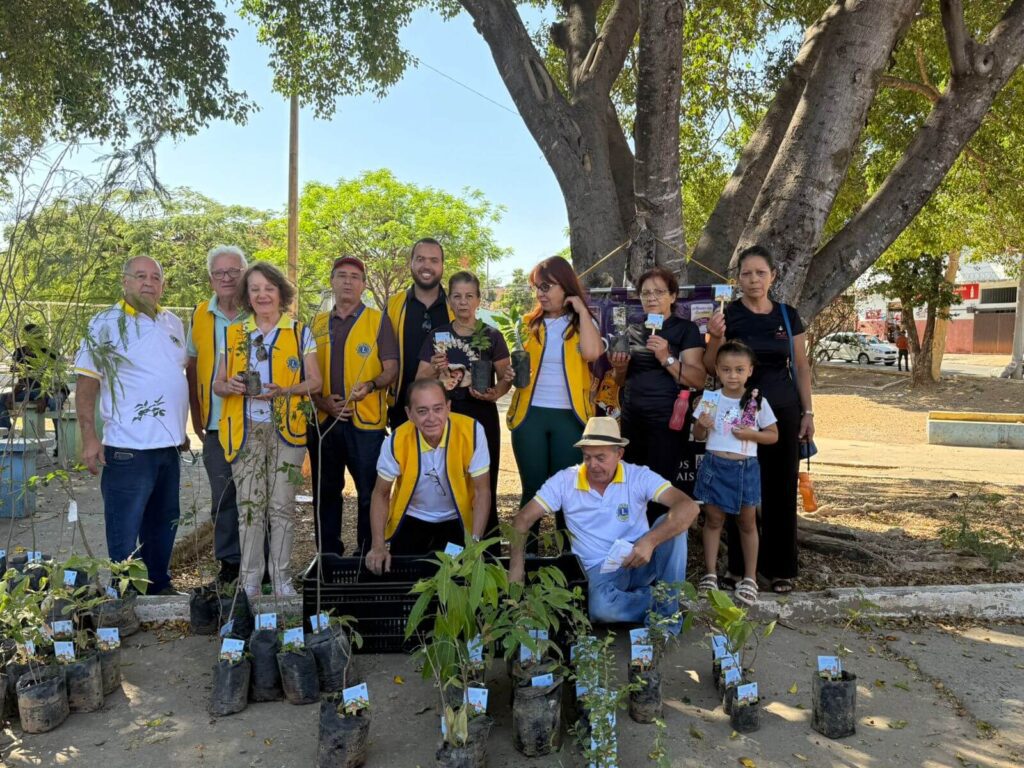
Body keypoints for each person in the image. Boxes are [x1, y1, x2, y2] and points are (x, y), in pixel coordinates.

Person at [507, 417, 699, 629]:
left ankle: (665, 620)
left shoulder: (638, 476)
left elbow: (689, 507)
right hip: (599, 571)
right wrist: (516, 567)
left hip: (641, 559)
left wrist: (651, 541)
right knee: (600, 608)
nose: (593, 465)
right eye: (587, 457)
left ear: (619, 454)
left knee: (673, 527)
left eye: (600, 457)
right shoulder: (565, 480)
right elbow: (522, 519)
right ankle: (667, 605)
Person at [704, 245, 814, 594]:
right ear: (737, 279)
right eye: (747, 274)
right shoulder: (727, 315)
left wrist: (807, 411)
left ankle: (780, 570)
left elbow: (800, 366)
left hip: (782, 411)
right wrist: (715, 335)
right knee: (741, 492)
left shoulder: (787, 315)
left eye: (760, 273)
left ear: (773, 276)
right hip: (740, 414)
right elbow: (711, 366)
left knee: (781, 491)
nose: (753, 280)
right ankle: (739, 570)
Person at [74, 256, 188, 595]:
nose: (148, 283)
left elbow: (172, 376)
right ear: (125, 281)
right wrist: (90, 438)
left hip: (168, 448)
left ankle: (158, 588)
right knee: (124, 528)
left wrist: (180, 428)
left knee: (163, 524)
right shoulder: (106, 323)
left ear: (163, 285)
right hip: (128, 448)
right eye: (140, 276)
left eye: (155, 277)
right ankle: (123, 595)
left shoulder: (172, 323)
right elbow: (86, 383)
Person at [212, 261, 322, 599]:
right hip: (244, 430)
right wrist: (228, 385)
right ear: (247, 294)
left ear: (281, 293)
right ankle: (249, 581)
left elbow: (316, 382)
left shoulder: (299, 331)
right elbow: (216, 384)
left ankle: (282, 579)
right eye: (255, 288)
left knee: (282, 505)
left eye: (268, 288)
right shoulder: (234, 334)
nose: (262, 295)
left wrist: (285, 391)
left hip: (286, 429)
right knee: (250, 506)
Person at [507, 256, 603, 550]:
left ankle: (567, 565)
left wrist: (581, 312)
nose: (541, 294)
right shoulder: (529, 324)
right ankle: (525, 564)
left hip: (570, 420)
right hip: (529, 418)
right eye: (537, 287)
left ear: (566, 286)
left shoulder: (581, 322)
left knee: (567, 494)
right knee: (532, 491)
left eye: (547, 286)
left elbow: (591, 353)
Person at [309, 255, 399, 555]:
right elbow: (304, 373)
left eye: (354, 277)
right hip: (325, 422)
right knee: (325, 494)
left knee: (369, 494)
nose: (348, 281)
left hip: (366, 425)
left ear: (363, 285)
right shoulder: (317, 323)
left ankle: (367, 553)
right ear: (332, 281)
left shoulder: (377, 320)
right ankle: (328, 556)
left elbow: (391, 368)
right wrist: (322, 402)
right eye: (341, 275)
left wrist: (371, 385)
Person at [416, 271, 513, 545]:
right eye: (457, 296)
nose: (463, 302)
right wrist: (435, 371)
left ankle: (486, 550)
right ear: (449, 300)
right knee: (450, 481)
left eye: (469, 296)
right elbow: (418, 381)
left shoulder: (491, 336)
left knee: (484, 481)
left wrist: (495, 393)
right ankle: (451, 549)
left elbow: (505, 378)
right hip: (446, 417)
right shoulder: (438, 336)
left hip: (482, 416)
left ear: (478, 300)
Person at [607, 267, 706, 521]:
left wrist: (667, 357)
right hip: (633, 420)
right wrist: (619, 369)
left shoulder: (686, 330)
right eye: (645, 293)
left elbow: (698, 379)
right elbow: (619, 381)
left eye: (659, 292)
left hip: (667, 422)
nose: (651, 298)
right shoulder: (632, 330)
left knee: (661, 488)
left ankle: (659, 546)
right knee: (632, 487)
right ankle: (634, 548)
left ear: (673, 296)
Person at [365, 379, 491, 574]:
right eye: (422, 411)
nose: (431, 418)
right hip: (412, 516)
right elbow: (381, 494)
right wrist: (378, 546)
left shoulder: (472, 431)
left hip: (455, 519)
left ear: (448, 407)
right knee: (406, 576)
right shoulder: (396, 441)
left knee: (453, 576)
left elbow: (482, 491)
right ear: (409, 414)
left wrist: (475, 543)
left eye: (438, 409)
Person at [692, 342, 779, 606]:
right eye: (726, 369)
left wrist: (752, 434)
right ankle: (709, 573)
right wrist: (701, 425)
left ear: (750, 371)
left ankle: (750, 577)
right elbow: (698, 436)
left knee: (747, 523)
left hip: (746, 468)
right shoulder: (710, 399)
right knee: (714, 521)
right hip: (714, 465)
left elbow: (773, 436)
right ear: (717, 370)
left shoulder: (756, 401)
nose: (733, 375)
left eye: (739, 369)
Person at [186, 245, 248, 584]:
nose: (227, 278)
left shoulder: (258, 311)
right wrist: (197, 418)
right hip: (216, 426)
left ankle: (260, 562)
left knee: (258, 499)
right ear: (211, 278)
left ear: (244, 273)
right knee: (223, 498)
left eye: (233, 271)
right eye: (220, 273)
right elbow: (192, 370)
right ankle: (230, 564)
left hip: (255, 425)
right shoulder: (199, 314)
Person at [385, 238, 454, 430]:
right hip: (402, 411)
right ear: (411, 263)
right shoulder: (393, 306)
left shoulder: (455, 307)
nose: (427, 266)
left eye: (434, 260)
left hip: (447, 411)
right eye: (421, 259)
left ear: (442, 266)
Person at [0, 324, 68, 446]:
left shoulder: (51, 353)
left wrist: (43, 397)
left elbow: (53, 380)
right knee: (2, 399)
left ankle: (60, 443)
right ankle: (7, 438)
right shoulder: (20, 353)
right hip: (32, 391)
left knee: (54, 402)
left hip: (53, 390)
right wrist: (13, 395)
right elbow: (21, 378)